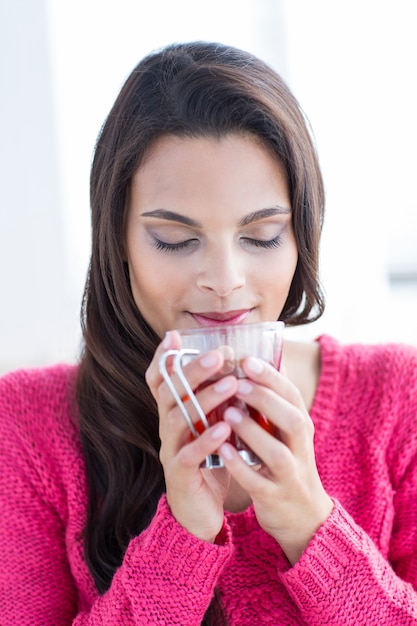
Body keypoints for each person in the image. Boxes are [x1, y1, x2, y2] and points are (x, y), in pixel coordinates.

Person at [1, 41, 417, 626]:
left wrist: (309, 523)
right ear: (117, 240)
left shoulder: (398, 397)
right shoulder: (29, 423)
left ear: (302, 236)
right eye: (175, 240)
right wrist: (182, 534)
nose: (224, 281)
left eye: (263, 236)